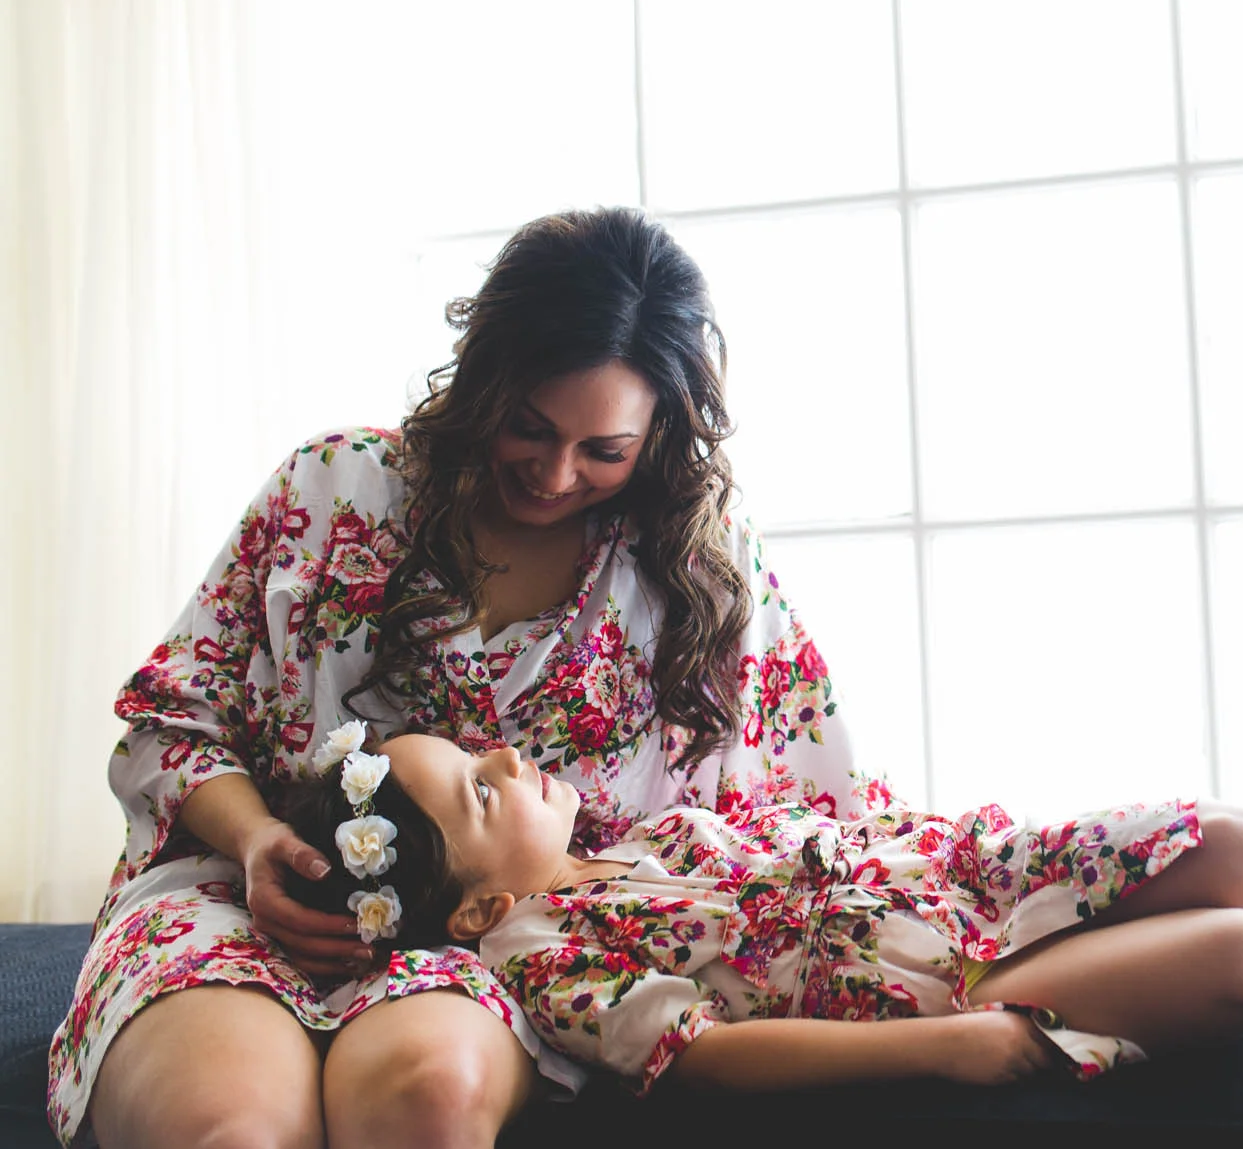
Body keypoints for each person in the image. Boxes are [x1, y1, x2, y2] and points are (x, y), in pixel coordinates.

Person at [49, 208, 907, 1148]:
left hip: (508, 945)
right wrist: (258, 843)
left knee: (431, 1095)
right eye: (529, 427)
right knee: (228, 1122)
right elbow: (171, 719)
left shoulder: (695, 571)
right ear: (485, 376)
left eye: (604, 450)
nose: (555, 473)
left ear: (659, 434)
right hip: (249, 899)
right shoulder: (334, 489)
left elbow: (805, 807)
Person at [278, 728, 1243, 1094]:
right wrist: (952, 1047)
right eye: (480, 788)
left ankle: (1122, 924)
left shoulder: (636, 839)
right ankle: (1117, 964)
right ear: (478, 911)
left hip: (964, 874)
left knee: (1241, 842)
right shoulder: (542, 957)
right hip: (945, 980)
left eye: (476, 752)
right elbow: (700, 1058)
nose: (506, 755)